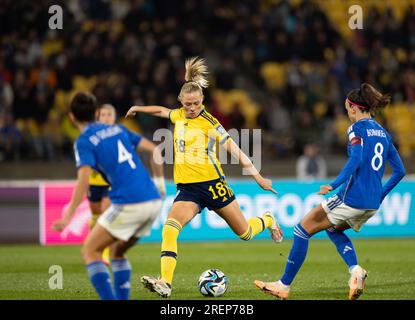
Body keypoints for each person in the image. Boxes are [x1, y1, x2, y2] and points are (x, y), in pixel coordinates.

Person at [125, 57, 283, 298]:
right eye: (187, 104)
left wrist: (259, 179)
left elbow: (237, 152)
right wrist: (138, 108)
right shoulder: (178, 115)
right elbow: (161, 111)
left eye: (196, 104)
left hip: (213, 186)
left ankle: (268, 219)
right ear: (181, 101)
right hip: (188, 189)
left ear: (202, 101)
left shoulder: (210, 123)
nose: (192, 108)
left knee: (245, 234)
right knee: (169, 229)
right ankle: (165, 282)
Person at [255, 83, 406, 300]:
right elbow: (400, 171)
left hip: (351, 197)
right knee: (333, 229)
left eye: (347, 109)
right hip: (372, 203)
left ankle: (283, 286)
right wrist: (380, 195)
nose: (347, 114)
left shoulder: (356, 129)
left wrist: (333, 185)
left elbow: (356, 158)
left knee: (301, 229)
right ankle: (356, 271)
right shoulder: (384, 133)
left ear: (354, 107)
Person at [52, 92, 165, 300]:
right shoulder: (118, 128)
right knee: (116, 253)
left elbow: (83, 181)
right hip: (153, 201)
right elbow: (156, 151)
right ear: (96, 113)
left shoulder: (84, 141)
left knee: (90, 252)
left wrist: (68, 216)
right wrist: (160, 185)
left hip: (130, 204)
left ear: (71, 117)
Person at [88, 104, 117, 265]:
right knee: (96, 214)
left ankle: (103, 253)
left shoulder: (118, 136)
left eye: (109, 115)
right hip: (93, 180)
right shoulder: (91, 136)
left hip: (111, 182)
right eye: (103, 115)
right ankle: (93, 246)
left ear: (114, 118)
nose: (106, 117)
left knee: (106, 212)